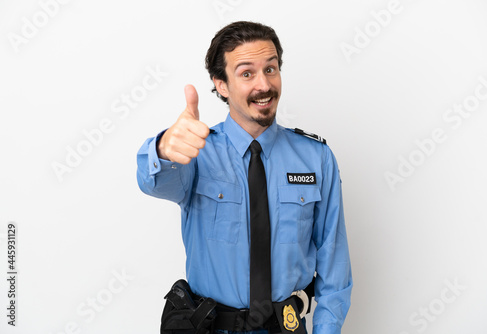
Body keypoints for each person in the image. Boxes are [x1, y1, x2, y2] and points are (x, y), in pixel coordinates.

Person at [136, 21, 352, 334]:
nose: (263, 85)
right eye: (246, 73)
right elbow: (152, 181)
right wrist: (163, 149)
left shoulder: (316, 158)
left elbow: (335, 269)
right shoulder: (195, 152)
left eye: (271, 69)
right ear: (221, 84)